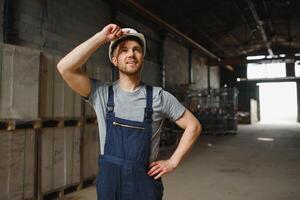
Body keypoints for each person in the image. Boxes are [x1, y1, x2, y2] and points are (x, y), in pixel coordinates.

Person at [57, 24, 201, 200]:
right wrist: (102, 37)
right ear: (114, 59)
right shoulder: (101, 94)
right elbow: (65, 67)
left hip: (144, 185)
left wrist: (173, 162)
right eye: (124, 50)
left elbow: (193, 126)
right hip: (110, 184)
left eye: (136, 50)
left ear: (142, 57)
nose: (131, 54)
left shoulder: (159, 97)